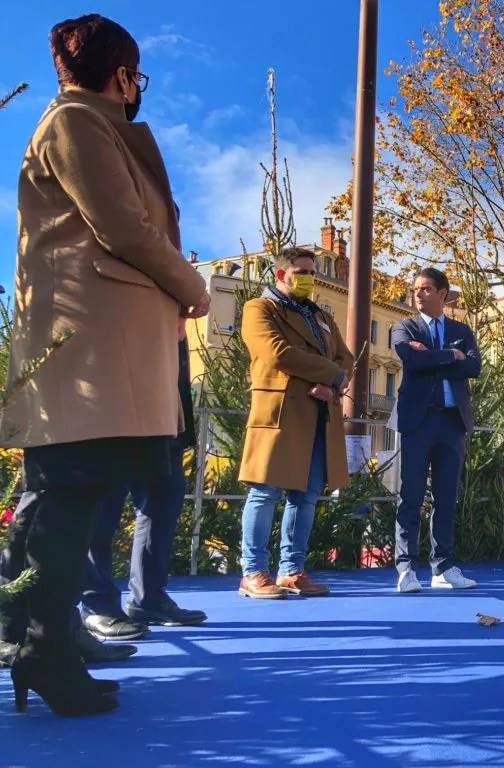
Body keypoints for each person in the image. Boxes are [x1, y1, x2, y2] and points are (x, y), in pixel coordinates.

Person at [0, 14, 210, 716]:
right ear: (122, 74)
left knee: (68, 493)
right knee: (69, 493)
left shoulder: (85, 124)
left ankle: (47, 637)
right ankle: (41, 649)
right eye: (136, 75)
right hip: (88, 347)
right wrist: (191, 284)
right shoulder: (76, 124)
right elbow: (123, 227)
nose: (137, 88)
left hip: (97, 345)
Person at [236, 246, 353, 599]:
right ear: (280, 274)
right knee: (265, 492)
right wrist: (330, 375)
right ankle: (253, 572)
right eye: (301, 271)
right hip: (280, 413)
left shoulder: (319, 314)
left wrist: (333, 382)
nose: (308, 278)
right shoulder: (259, 309)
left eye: (312, 272)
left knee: (306, 496)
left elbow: (344, 356)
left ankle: (292, 571)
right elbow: (276, 353)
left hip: (319, 414)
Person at [81, 339, 207, 637]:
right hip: (118, 398)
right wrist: (190, 297)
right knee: (103, 507)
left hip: (165, 406)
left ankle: (148, 598)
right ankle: (98, 606)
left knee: (163, 498)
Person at [391, 267, 481, 593]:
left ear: (443, 293)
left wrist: (432, 356)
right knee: (411, 496)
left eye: (426, 289)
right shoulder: (404, 327)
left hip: (452, 422)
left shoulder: (461, 329)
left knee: (446, 497)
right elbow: (411, 361)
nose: (418, 294)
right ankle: (406, 567)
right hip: (418, 421)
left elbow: (473, 366)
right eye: (415, 289)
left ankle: (442, 567)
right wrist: (449, 355)